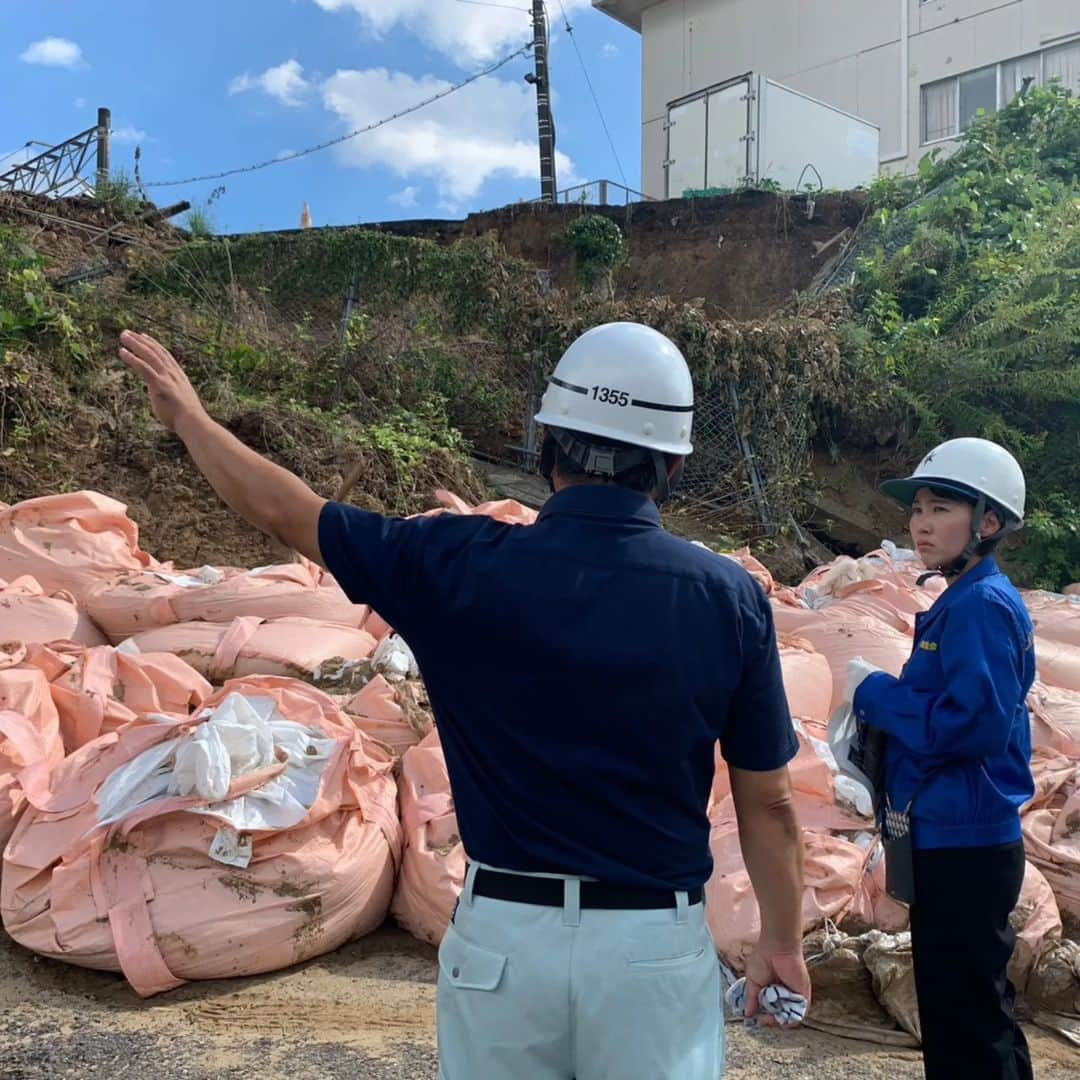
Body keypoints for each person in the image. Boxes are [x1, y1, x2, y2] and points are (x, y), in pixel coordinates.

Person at [118, 321, 810, 1079]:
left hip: (502, 945)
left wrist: (191, 419)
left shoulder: (453, 562)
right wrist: (780, 941)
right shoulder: (727, 598)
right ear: (672, 465)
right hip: (650, 949)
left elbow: (291, 514)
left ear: (546, 445)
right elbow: (768, 805)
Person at [849, 437, 1035, 1080]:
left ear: (988, 522)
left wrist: (878, 696)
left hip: (968, 842)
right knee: (972, 1013)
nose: (921, 523)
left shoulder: (980, 605)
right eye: (918, 509)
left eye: (941, 508)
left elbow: (974, 726)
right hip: (949, 834)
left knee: (968, 1024)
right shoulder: (961, 599)